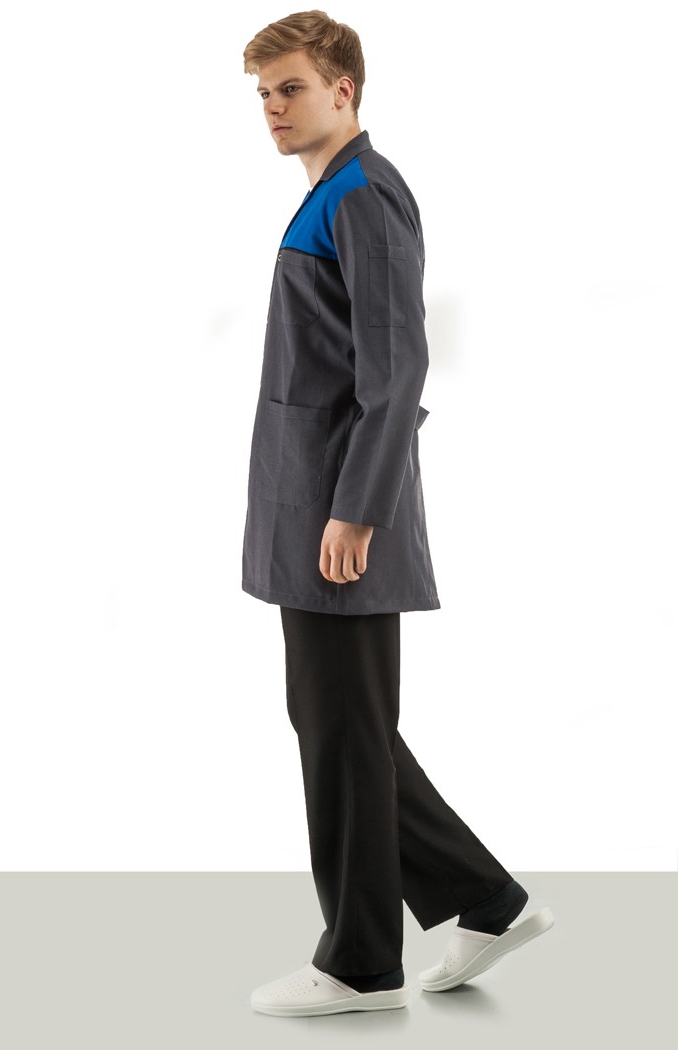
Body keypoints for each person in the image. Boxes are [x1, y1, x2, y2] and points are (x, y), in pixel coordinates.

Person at [240, 10, 554, 1018]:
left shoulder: (363, 196)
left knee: (342, 727)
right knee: (344, 722)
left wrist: (356, 512)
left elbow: (397, 367)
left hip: (340, 510)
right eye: (264, 93)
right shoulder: (331, 193)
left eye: (292, 87)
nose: (274, 107)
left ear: (345, 91)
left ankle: (361, 962)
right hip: (312, 501)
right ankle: (485, 901)